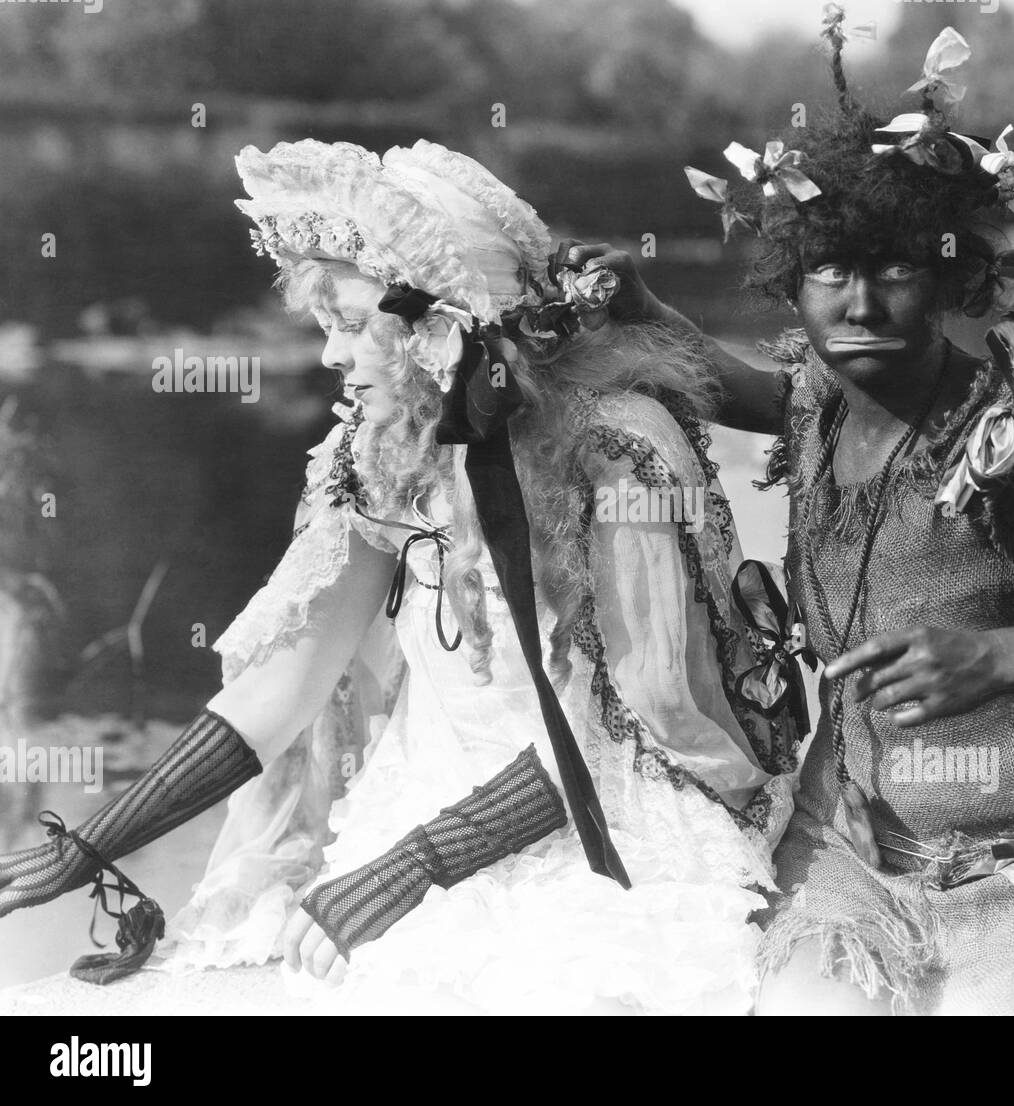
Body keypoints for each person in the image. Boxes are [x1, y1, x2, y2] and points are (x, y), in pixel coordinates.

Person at [0, 139, 803, 1015]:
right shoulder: (377, 450)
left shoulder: (616, 451)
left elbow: (619, 735)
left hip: (607, 821)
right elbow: (283, 689)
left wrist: (418, 866)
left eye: (351, 325)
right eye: (328, 327)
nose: (331, 358)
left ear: (441, 328)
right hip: (415, 800)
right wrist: (89, 842)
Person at [562, 22, 1014, 1015]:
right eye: (830, 270)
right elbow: (720, 382)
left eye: (896, 270)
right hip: (848, 862)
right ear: (791, 281)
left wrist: (995, 656)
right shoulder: (812, 406)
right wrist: (638, 303)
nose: (861, 302)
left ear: (953, 280)